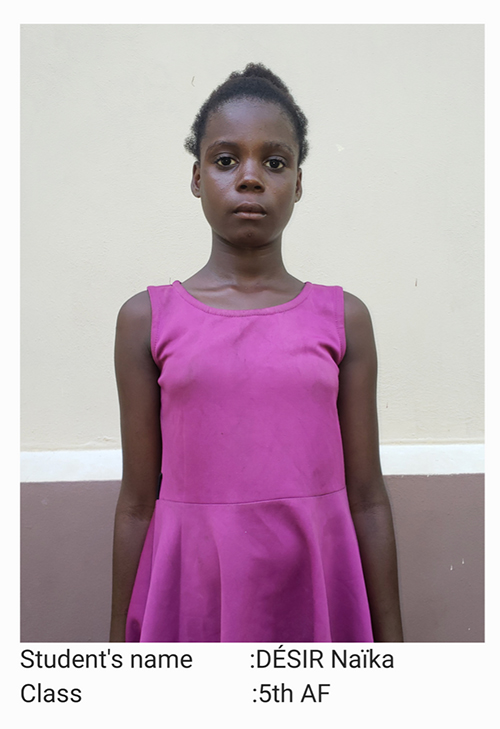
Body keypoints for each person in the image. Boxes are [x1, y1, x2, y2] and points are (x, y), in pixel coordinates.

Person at [110, 63, 404, 643]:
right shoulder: (145, 321)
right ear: (197, 178)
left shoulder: (345, 320)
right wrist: (117, 647)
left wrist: (393, 644)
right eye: (226, 160)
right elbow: (137, 502)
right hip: (194, 585)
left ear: (298, 182)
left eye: (274, 162)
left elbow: (368, 498)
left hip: (313, 577)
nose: (250, 178)